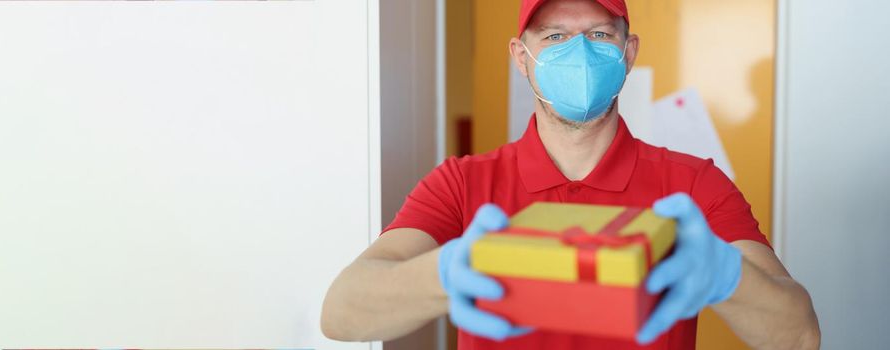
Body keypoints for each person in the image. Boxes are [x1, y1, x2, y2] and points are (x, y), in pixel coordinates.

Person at [320, 0, 820, 348]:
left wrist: (724, 277)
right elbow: (341, 313)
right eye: (555, 36)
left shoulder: (692, 188)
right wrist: (446, 274)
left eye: (599, 35)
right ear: (522, 57)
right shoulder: (462, 184)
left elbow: (800, 336)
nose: (578, 53)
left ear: (628, 53)